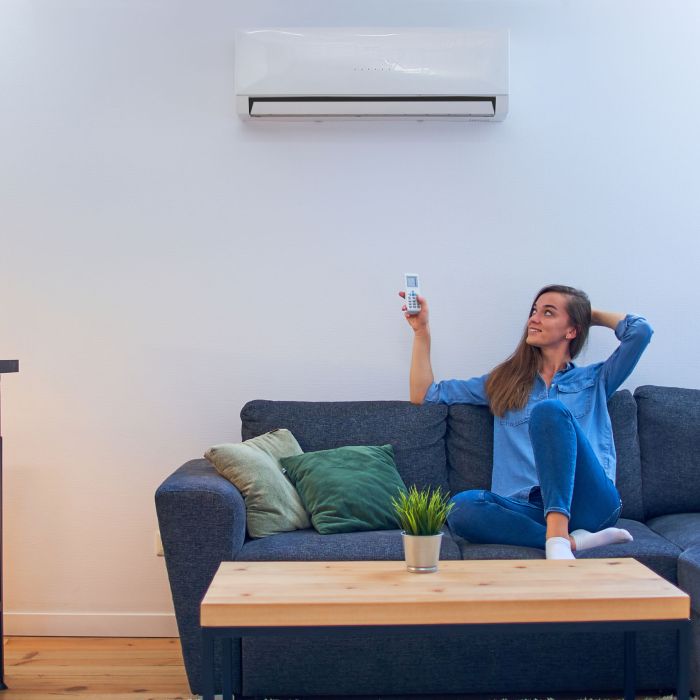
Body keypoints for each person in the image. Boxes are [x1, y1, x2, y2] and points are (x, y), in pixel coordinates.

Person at [399, 284, 653, 560]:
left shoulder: (596, 380)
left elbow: (641, 332)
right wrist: (421, 331)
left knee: (549, 411)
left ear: (572, 330)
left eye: (548, 312)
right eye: (534, 311)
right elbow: (425, 394)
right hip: (529, 507)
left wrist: (587, 314)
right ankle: (569, 541)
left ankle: (557, 537)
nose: (533, 318)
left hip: (591, 503)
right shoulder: (503, 383)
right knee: (459, 507)